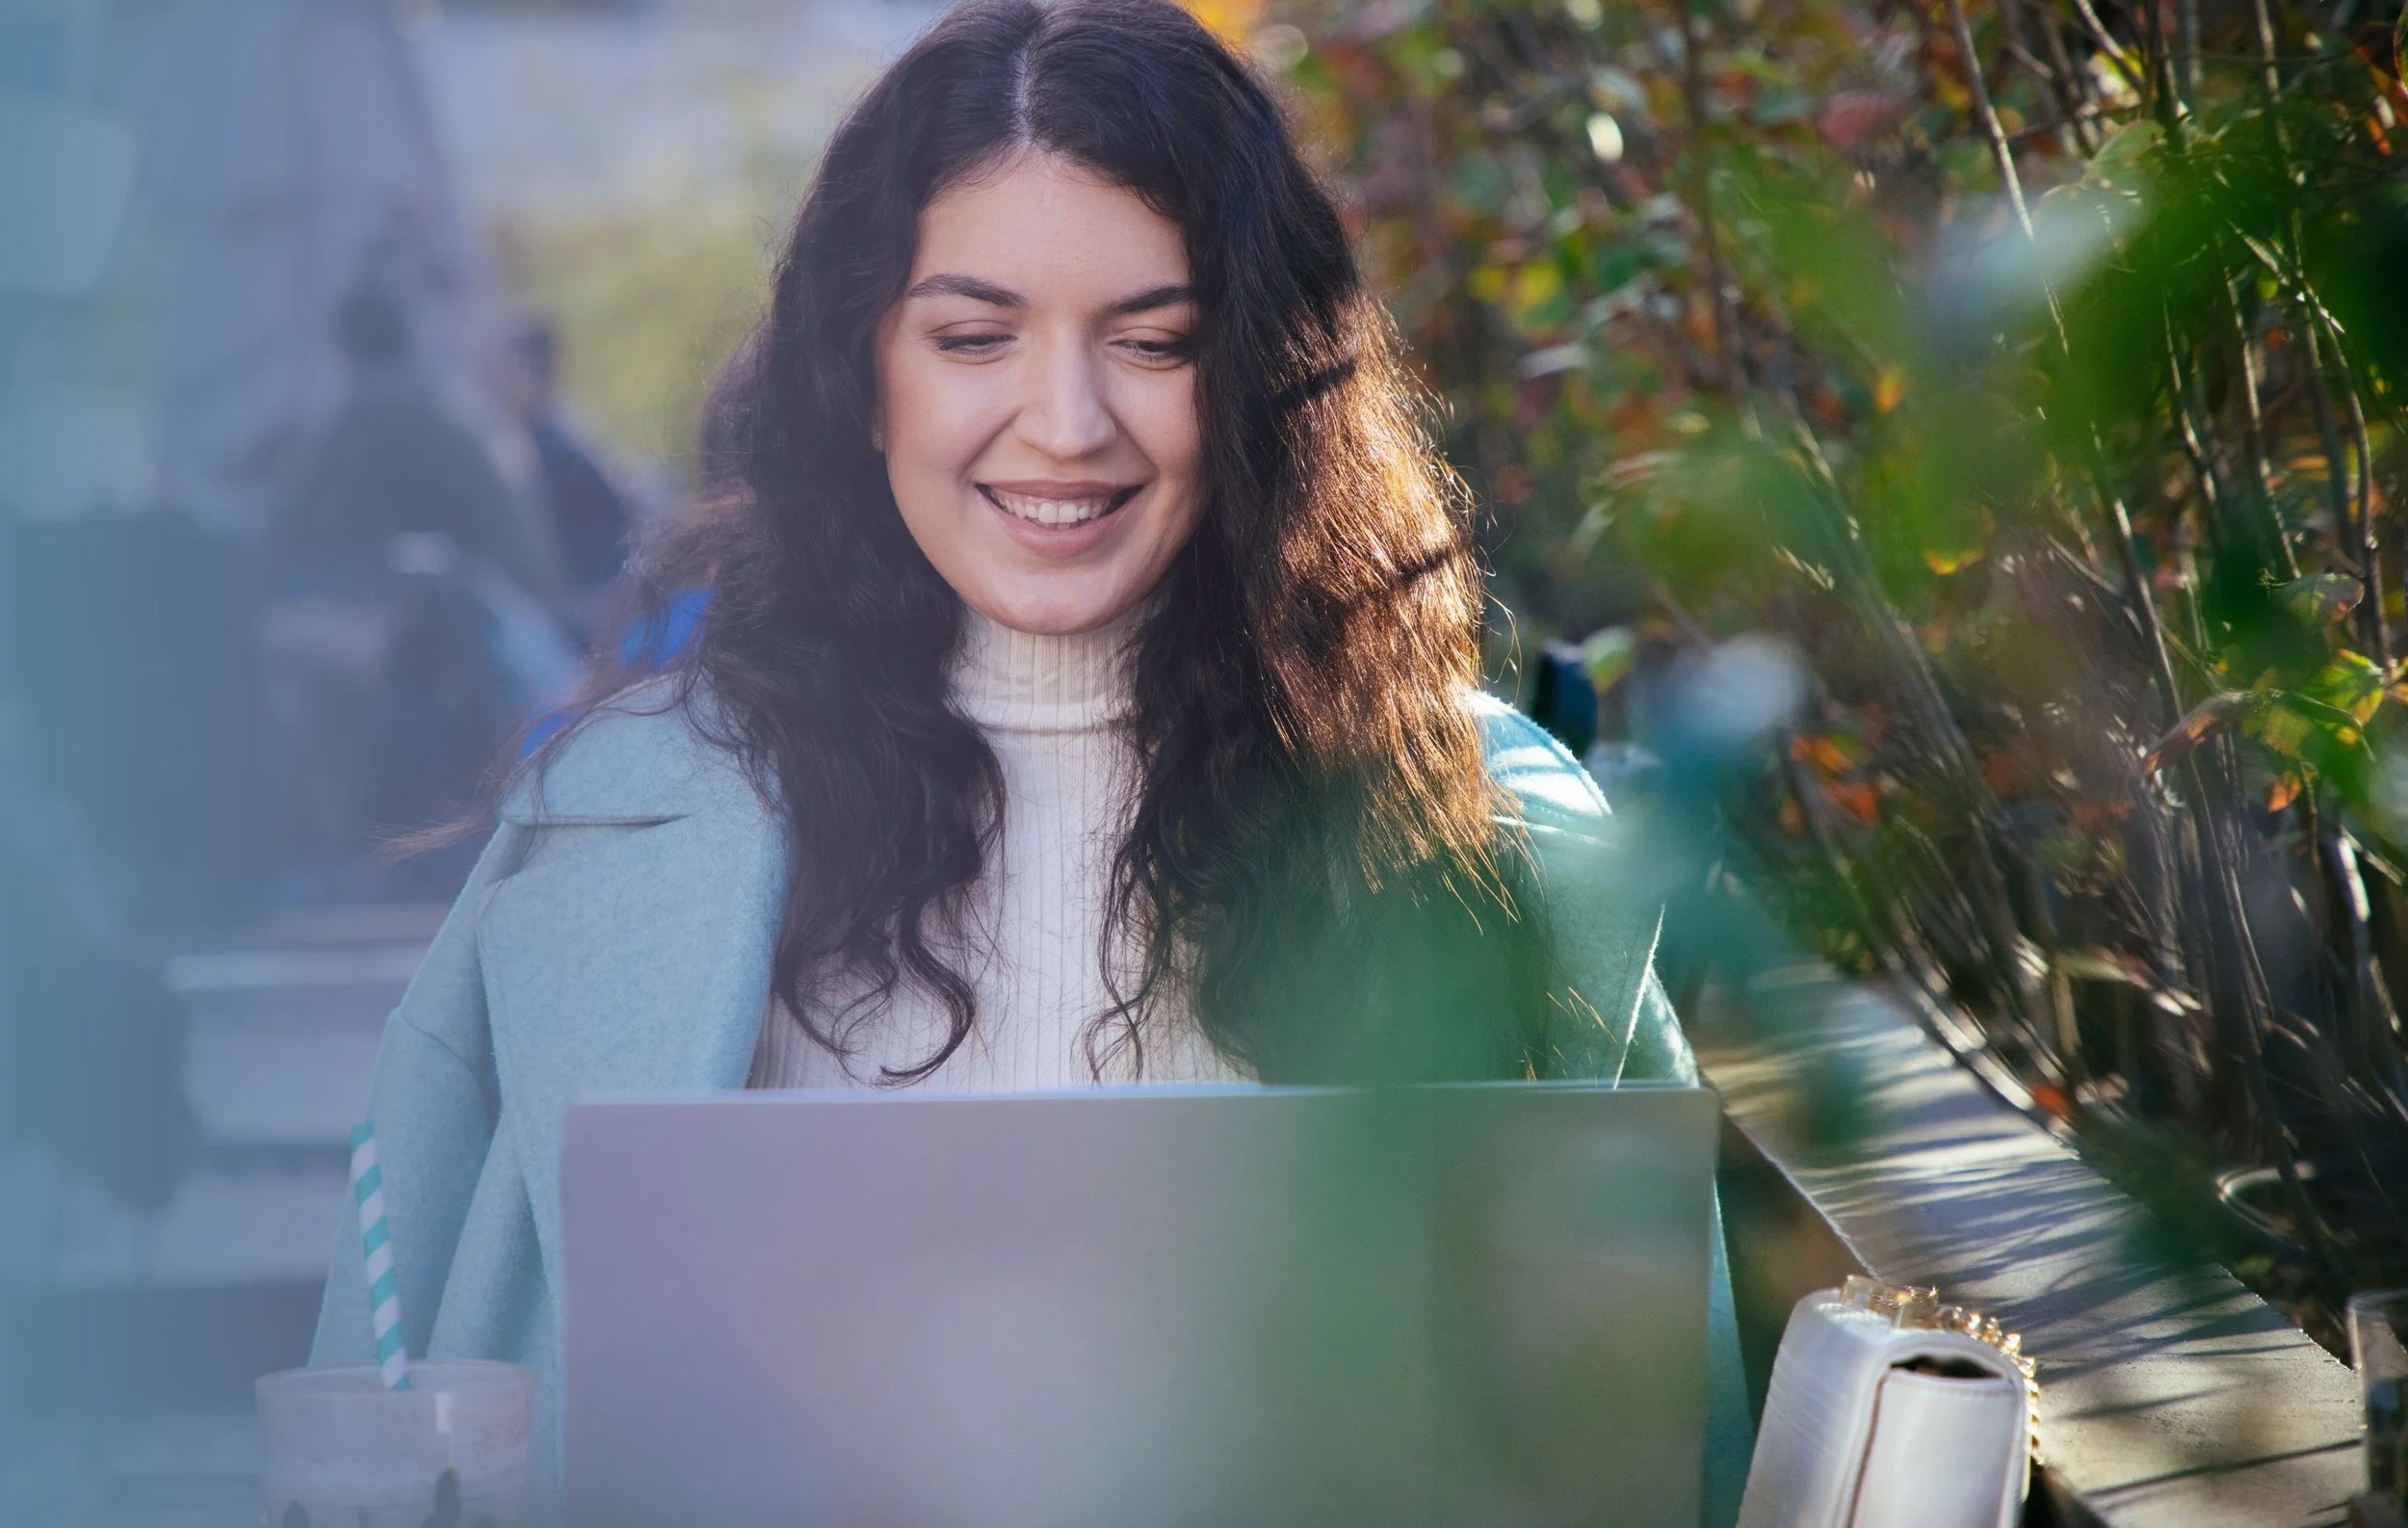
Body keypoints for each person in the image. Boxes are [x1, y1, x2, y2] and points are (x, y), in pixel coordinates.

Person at [309, 2, 1752, 1520]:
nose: (1062, 425)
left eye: (1153, 341)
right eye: (974, 335)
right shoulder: (611, 832)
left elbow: (1646, 1438)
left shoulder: (1468, 827)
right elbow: (398, 1423)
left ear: (1260, 372)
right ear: (864, 373)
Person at [490, 316, 635, 609]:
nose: (497, 386)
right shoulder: (542, 436)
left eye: (509, 374)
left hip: (606, 598)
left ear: (540, 378)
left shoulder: (557, 449)